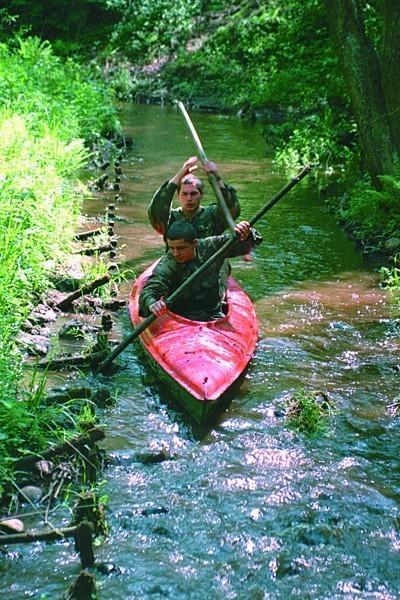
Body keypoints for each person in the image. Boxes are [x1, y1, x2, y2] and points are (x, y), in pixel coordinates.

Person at [139, 220, 262, 322]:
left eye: (181, 248)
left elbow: (248, 245)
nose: (176, 253)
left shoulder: (212, 246)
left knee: (224, 264)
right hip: (181, 316)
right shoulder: (168, 263)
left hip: (213, 312)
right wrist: (152, 303)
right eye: (172, 248)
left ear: (195, 243)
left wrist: (246, 233)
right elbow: (150, 289)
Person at [148, 156, 240, 240]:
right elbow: (156, 211)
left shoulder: (213, 215)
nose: (189, 198)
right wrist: (181, 173)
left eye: (193, 193)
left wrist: (216, 178)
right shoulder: (170, 219)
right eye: (184, 194)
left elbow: (231, 207)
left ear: (201, 195)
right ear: (178, 195)